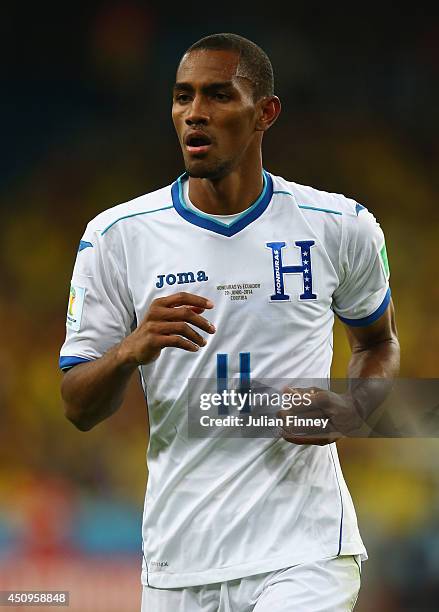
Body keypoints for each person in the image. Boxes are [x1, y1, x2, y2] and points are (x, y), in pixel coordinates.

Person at [59, 33, 400, 611]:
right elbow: (77, 406)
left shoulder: (339, 225)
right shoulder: (117, 236)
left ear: (264, 113)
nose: (195, 114)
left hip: (305, 549)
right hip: (179, 557)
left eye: (218, 95)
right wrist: (127, 351)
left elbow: (378, 342)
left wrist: (357, 405)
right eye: (182, 97)